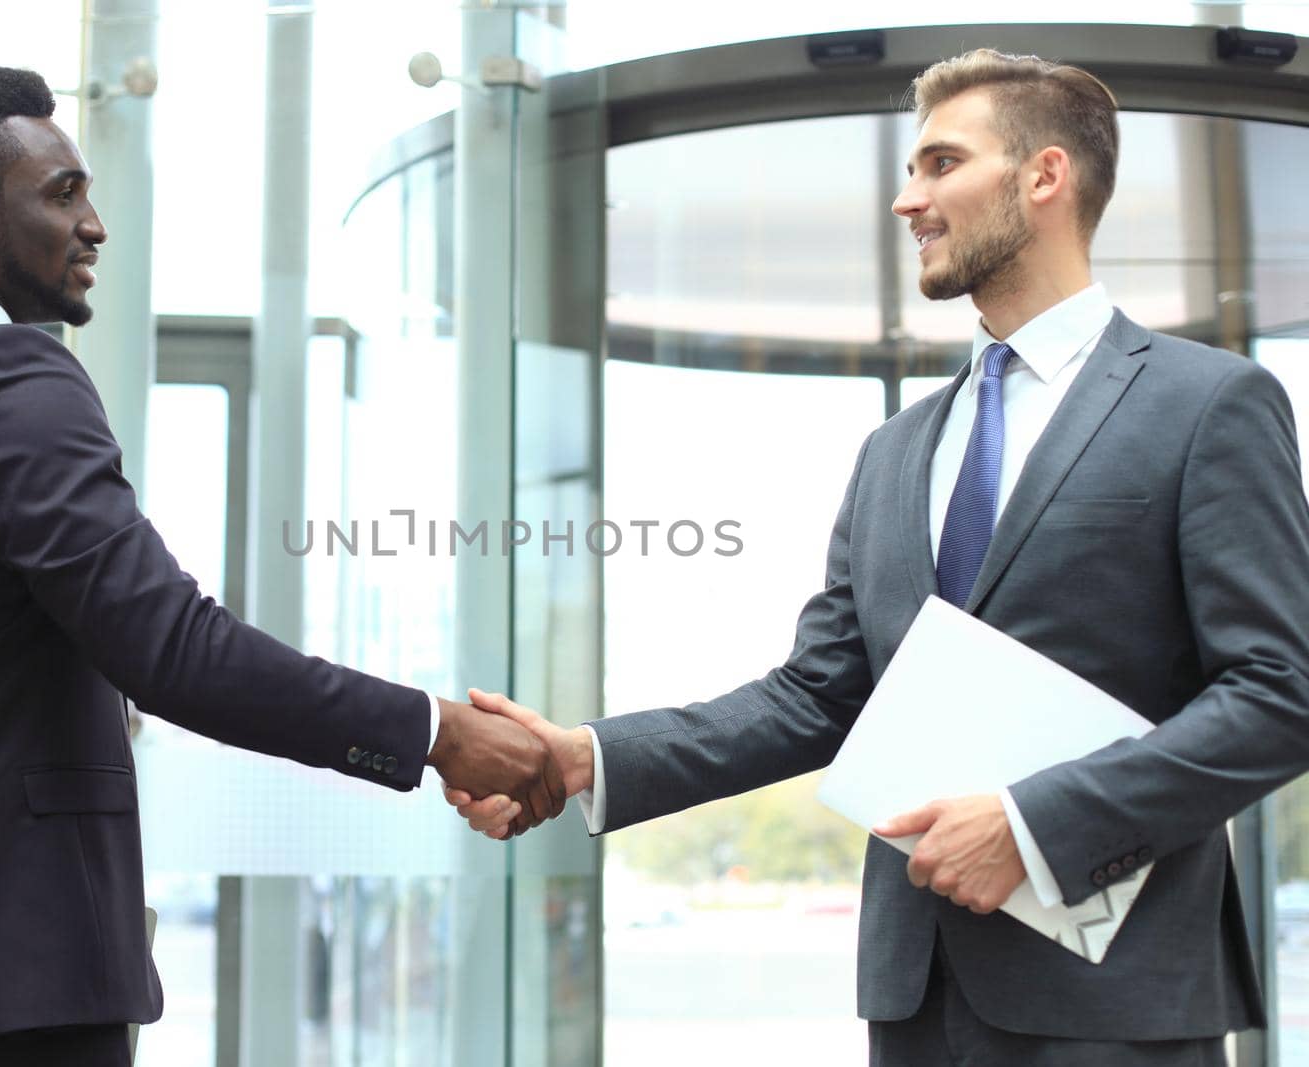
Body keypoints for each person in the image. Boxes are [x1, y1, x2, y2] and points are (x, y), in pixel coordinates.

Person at [448, 47, 1309, 1065]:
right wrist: (588, 755)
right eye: (910, 171)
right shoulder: (895, 448)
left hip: (1113, 1000)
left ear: (1042, 176)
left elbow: (1279, 689)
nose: (908, 200)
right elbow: (820, 694)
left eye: (940, 164)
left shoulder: (1206, 402)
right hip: (915, 996)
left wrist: (1035, 825)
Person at [0, 64, 562, 1066]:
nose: (93, 225)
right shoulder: (1, 372)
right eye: (61, 194)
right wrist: (431, 729)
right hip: (3, 971)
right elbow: (170, 643)